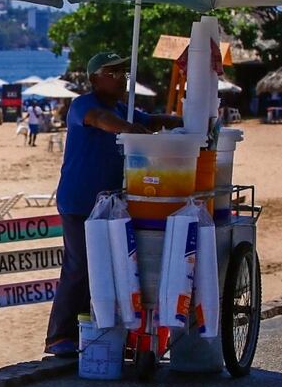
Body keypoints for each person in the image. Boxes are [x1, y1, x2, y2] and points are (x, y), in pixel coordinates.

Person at [45, 52, 183, 357]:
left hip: (110, 204)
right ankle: (57, 336)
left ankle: (88, 331)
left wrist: (185, 124)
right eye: (113, 72)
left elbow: (153, 120)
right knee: (78, 265)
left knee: (103, 269)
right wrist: (137, 131)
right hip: (79, 200)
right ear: (94, 78)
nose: (121, 78)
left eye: (123, 72)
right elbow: (105, 123)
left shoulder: (125, 108)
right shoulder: (84, 105)